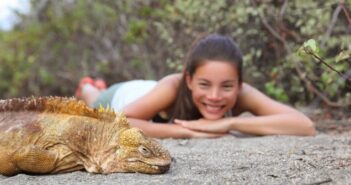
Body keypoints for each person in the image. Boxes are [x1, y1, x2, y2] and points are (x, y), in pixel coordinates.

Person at [76, 34, 316, 138]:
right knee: (92, 99)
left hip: (148, 93)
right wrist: (189, 131)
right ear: (188, 80)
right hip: (123, 96)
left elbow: (304, 126)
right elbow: (120, 121)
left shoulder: (242, 93)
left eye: (227, 86)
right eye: (204, 84)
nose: (215, 95)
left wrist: (230, 122)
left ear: (239, 84)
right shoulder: (173, 86)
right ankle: (88, 85)